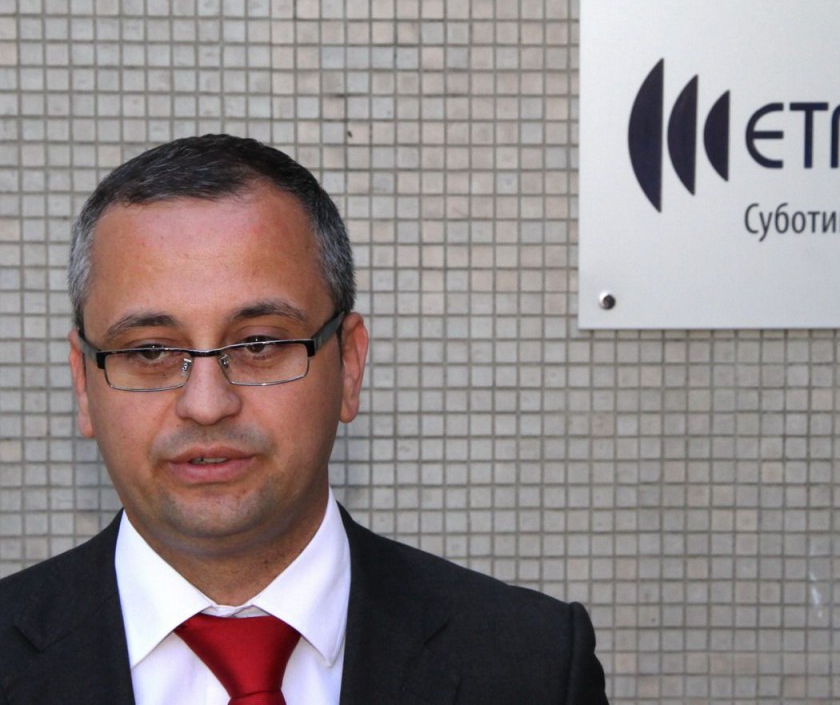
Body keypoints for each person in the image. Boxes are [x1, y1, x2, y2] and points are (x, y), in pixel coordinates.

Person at [0, 135, 608, 704]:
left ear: (349, 366)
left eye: (260, 343)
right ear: (83, 383)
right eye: (151, 351)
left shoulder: (534, 666)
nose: (207, 404)